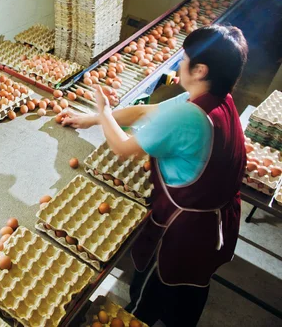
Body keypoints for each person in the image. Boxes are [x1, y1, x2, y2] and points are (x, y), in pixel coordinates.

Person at [59, 25, 248, 326]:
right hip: (213, 224)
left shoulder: (188, 115)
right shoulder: (219, 100)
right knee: (190, 290)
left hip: (183, 231)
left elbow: (121, 147)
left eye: (184, 59)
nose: (179, 64)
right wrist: (92, 119)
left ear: (199, 70)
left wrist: (104, 110)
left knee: (152, 294)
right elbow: (148, 112)